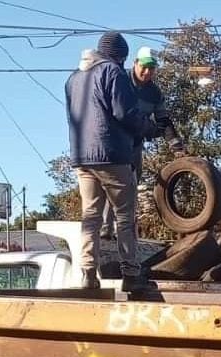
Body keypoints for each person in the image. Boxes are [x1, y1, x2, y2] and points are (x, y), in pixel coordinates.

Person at [65, 31, 158, 295]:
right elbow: (123, 112)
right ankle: (131, 274)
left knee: (90, 217)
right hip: (112, 154)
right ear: (119, 56)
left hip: (82, 157)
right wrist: (148, 128)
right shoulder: (113, 72)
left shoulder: (73, 78)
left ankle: (88, 274)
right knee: (125, 217)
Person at [101, 45, 186, 240]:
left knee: (131, 187)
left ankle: (126, 232)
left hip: (135, 145)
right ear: (135, 64)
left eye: (152, 68)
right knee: (112, 185)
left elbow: (163, 120)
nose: (147, 72)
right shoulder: (121, 80)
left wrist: (176, 146)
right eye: (144, 67)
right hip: (115, 143)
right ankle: (105, 228)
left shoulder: (154, 93)